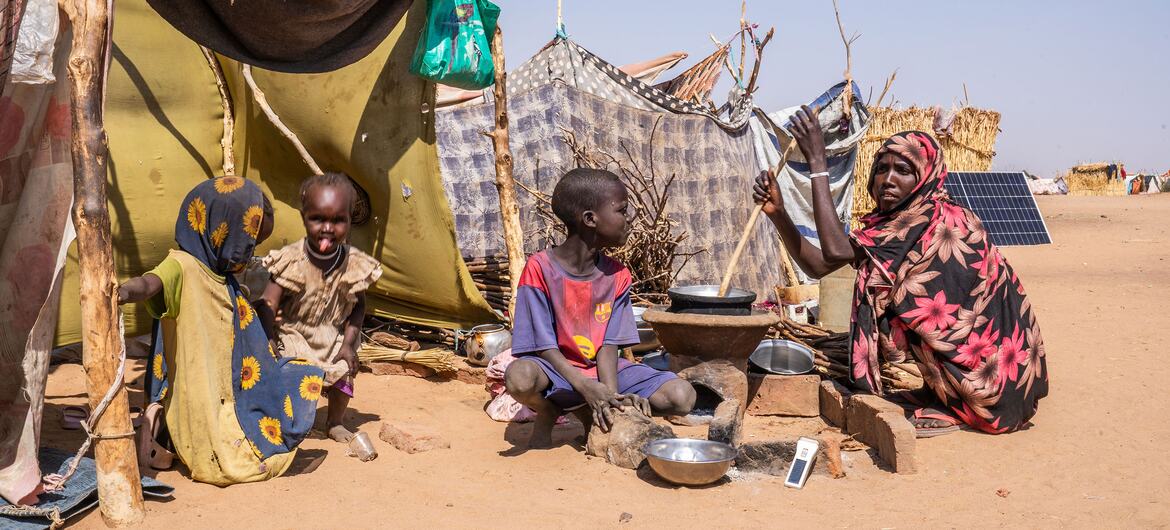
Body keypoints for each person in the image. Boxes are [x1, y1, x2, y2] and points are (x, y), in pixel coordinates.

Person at [753, 106, 1048, 436]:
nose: (888, 179)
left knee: (900, 307)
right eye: (882, 169)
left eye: (903, 170)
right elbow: (819, 265)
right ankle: (940, 392)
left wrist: (818, 164)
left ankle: (954, 401)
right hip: (1003, 381)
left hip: (992, 389)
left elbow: (833, 251)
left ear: (923, 177)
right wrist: (778, 214)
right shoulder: (900, 224)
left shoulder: (931, 220)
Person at [117, 176, 324, 485]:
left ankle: (166, 435)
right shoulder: (183, 266)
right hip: (201, 387)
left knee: (293, 382)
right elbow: (150, 283)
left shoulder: (223, 276)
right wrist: (121, 292)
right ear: (221, 228)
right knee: (230, 459)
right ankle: (165, 433)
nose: (250, 251)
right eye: (248, 241)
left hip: (228, 384)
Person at [504, 168, 696, 449]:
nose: (629, 219)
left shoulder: (617, 276)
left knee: (683, 396)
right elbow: (543, 346)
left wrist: (611, 397)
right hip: (554, 370)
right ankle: (547, 410)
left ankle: (592, 414)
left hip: (601, 371)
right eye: (622, 210)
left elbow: (609, 344)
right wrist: (584, 386)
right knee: (519, 378)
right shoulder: (540, 269)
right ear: (590, 219)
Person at [258, 172, 382, 444]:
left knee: (344, 370)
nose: (328, 228)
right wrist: (268, 340)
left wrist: (349, 344)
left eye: (338, 220)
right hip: (294, 334)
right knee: (293, 374)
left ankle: (335, 422)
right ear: (304, 218)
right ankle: (291, 421)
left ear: (350, 221)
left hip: (334, 332)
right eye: (318, 219)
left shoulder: (354, 263)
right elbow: (268, 303)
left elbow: (358, 308)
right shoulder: (292, 260)